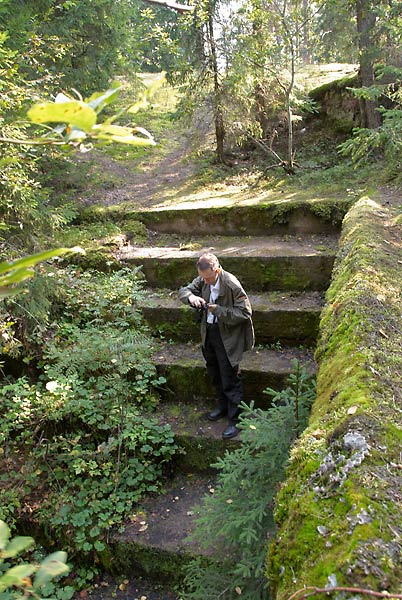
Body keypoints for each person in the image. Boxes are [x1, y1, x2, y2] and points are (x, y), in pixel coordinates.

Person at [178, 253, 254, 439]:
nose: (206, 282)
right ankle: (222, 406)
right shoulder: (204, 278)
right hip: (209, 333)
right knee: (214, 371)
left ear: (217, 270)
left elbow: (245, 312)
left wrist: (219, 310)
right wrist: (191, 298)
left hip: (227, 336)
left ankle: (236, 419)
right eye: (203, 278)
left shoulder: (231, 284)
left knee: (229, 375)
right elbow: (184, 290)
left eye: (209, 278)